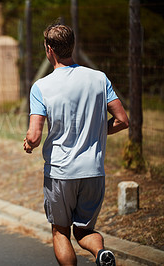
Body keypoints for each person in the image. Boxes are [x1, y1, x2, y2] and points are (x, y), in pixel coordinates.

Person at [23, 23, 129, 266]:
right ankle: (101, 253)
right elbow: (123, 120)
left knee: (61, 231)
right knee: (85, 231)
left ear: (49, 49)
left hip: (60, 172)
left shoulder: (41, 87)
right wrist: (96, 132)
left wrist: (28, 144)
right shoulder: (99, 78)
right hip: (93, 170)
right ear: (72, 45)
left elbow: (34, 136)